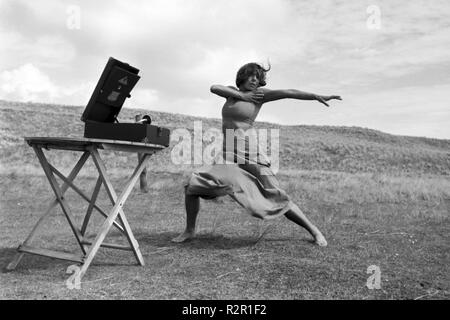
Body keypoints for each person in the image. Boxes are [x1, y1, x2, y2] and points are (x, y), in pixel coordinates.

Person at [172, 62, 342, 246]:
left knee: (275, 194)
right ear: (243, 76)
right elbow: (214, 88)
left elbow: (289, 92)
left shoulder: (260, 95)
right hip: (228, 156)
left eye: (258, 77)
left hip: (251, 153)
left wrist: (315, 96)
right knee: (193, 185)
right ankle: (189, 231)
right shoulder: (231, 93)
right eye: (251, 75)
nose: (255, 79)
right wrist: (241, 95)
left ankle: (315, 231)